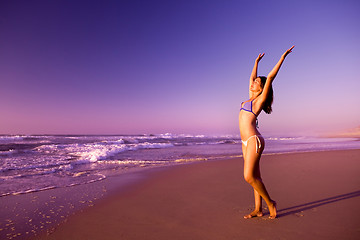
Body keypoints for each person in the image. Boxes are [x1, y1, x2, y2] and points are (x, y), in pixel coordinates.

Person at [239, 46, 294, 219]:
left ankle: (270, 203)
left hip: (254, 139)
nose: (254, 81)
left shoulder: (259, 100)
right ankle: (258, 209)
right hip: (244, 142)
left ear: (262, 89)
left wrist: (282, 57)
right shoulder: (250, 97)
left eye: (257, 82)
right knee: (255, 176)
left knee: (248, 176)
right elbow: (251, 77)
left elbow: (270, 77)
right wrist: (255, 62)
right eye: (253, 81)